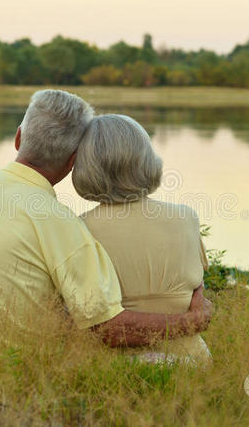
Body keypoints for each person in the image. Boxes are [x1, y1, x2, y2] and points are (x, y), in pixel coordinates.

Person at [0, 90, 212, 348]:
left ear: (18, 137)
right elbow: (108, 328)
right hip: (12, 369)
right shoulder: (64, 225)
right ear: (74, 161)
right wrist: (191, 322)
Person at [72, 114, 212, 363]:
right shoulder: (185, 217)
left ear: (85, 166)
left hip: (109, 368)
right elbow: (198, 291)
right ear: (146, 160)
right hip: (191, 361)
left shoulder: (79, 229)